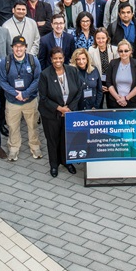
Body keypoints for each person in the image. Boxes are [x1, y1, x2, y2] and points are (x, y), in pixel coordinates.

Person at [39, 48, 82, 177]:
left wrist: (68, 109)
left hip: (69, 112)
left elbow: (79, 91)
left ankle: (66, 162)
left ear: (64, 58)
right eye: (55, 58)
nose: (58, 61)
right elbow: (43, 97)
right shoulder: (45, 74)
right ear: (51, 59)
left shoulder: (72, 71)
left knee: (66, 138)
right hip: (51, 114)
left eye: (60, 58)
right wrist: (59, 108)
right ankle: (54, 164)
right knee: (52, 140)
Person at [0, 36, 42, 160]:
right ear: (12, 48)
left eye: (21, 46)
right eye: (16, 46)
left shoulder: (33, 60)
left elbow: (37, 79)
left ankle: (35, 147)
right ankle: (13, 148)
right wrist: (16, 93)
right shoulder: (5, 61)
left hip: (30, 100)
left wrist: (25, 93)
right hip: (12, 101)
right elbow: (2, 81)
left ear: (25, 47)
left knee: (33, 125)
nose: (19, 49)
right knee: (13, 127)